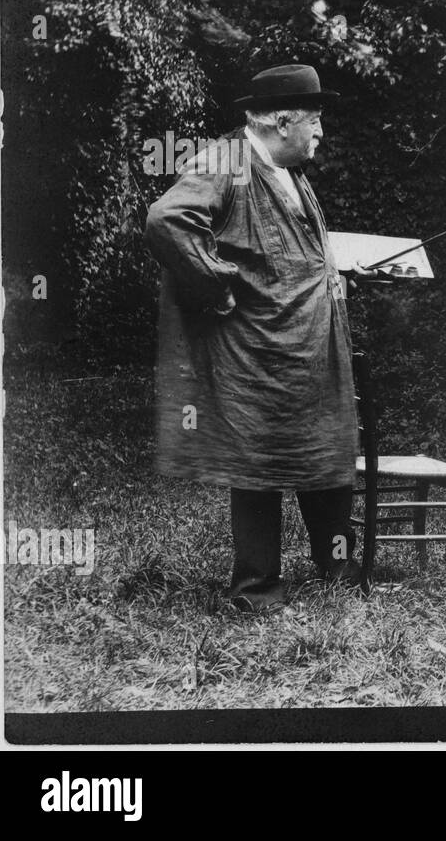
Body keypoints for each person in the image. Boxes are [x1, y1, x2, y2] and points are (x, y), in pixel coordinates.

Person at [145, 63, 360, 613]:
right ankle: (258, 588)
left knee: (323, 449)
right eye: (314, 120)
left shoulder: (291, 172)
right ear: (282, 121)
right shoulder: (225, 162)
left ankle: (338, 569)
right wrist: (216, 285)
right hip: (256, 352)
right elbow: (167, 219)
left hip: (309, 347)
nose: (321, 131)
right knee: (257, 462)